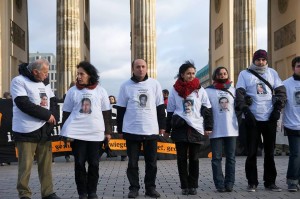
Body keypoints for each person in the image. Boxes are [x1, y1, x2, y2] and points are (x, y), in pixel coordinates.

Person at [235, 49, 287, 192]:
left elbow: (281, 91)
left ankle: (270, 182)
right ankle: (252, 182)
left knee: (269, 152)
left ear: (266, 60)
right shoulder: (244, 74)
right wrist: (245, 109)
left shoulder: (272, 73)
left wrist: (277, 109)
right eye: (258, 59)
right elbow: (239, 93)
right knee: (251, 152)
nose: (261, 62)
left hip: (269, 117)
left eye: (263, 59)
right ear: (254, 60)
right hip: (252, 118)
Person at [60, 61, 112, 199]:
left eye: (82, 74)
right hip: (77, 133)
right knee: (79, 163)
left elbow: (106, 113)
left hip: (95, 133)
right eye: (78, 74)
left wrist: (108, 132)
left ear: (90, 75)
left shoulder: (101, 91)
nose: (79, 76)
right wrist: (64, 132)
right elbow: (66, 112)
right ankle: (82, 192)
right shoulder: (72, 91)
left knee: (94, 163)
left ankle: (92, 191)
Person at [10, 59, 61, 199]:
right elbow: (23, 104)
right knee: (25, 165)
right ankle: (24, 193)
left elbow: (53, 101)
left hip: (44, 130)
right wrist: (47, 115)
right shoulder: (18, 81)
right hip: (26, 130)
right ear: (35, 72)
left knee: (46, 165)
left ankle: (48, 192)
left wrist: (54, 116)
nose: (47, 75)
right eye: (45, 72)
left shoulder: (43, 82)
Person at [117, 58, 165, 198]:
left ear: (147, 68)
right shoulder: (125, 86)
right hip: (132, 129)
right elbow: (120, 109)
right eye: (138, 66)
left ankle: (150, 188)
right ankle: (134, 188)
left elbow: (160, 106)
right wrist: (120, 129)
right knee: (132, 162)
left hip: (151, 129)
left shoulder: (154, 84)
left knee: (152, 162)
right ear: (133, 69)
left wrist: (162, 126)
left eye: (143, 66)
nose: (141, 69)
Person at [165, 61, 213, 195]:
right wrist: (167, 129)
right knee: (181, 159)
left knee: (194, 158)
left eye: (193, 73)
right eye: (188, 73)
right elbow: (170, 111)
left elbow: (207, 108)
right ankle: (184, 186)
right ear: (182, 74)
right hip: (180, 127)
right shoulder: (174, 90)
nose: (191, 76)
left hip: (196, 127)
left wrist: (208, 126)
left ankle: (193, 186)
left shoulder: (200, 89)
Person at [206, 66, 239, 192]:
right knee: (216, 158)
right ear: (215, 76)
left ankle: (229, 183)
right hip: (216, 129)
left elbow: (239, 107)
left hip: (231, 128)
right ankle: (219, 184)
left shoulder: (233, 90)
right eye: (220, 74)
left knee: (231, 158)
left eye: (225, 73)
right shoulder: (208, 91)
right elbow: (205, 110)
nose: (222, 75)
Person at [282, 56, 300, 192]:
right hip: (293, 124)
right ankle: (292, 181)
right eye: (298, 66)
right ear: (293, 67)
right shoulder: (286, 84)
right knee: (296, 153)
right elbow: (281, 102)